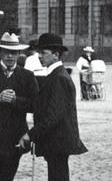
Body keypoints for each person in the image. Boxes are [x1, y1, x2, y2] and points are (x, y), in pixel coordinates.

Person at [19, 33, 87, 181]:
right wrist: (15, 101)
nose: (39, 56)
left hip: (59, 141)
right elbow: (39, 105)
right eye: (39, 52)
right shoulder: (53, 75)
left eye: (43, 53)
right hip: (55, 141)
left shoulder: (59, 78)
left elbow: (52, 116)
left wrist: (30, 134)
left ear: (56, 55)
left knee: (58, 177)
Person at [0, 33, 38, 181]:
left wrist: (15, 100)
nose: (10, 56)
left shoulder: (27, 76)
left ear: (19, 54)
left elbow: (35, 105)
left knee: (8, 176)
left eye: (14, 53)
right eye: (6, 52)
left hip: (15, 138)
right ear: (0, 53)